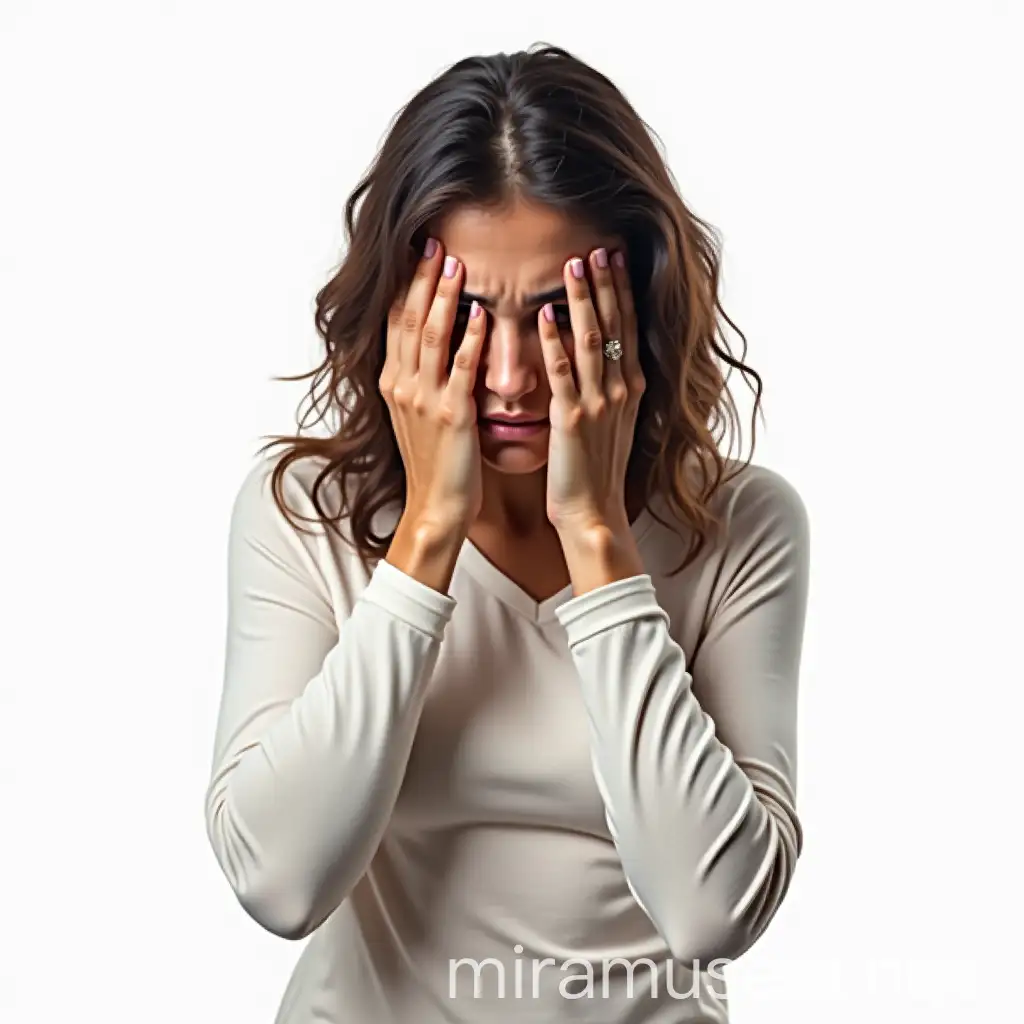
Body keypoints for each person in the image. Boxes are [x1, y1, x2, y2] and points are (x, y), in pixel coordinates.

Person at [204, 43, 810, 1024]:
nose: (513, 378)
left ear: (633, 310)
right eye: (471, 313)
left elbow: (712, 911)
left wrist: (598, 538)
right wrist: (428, 538)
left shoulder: (739, 527)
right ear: (400, 309)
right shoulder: (303, 513)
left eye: (562, 311)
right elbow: (278, 881)